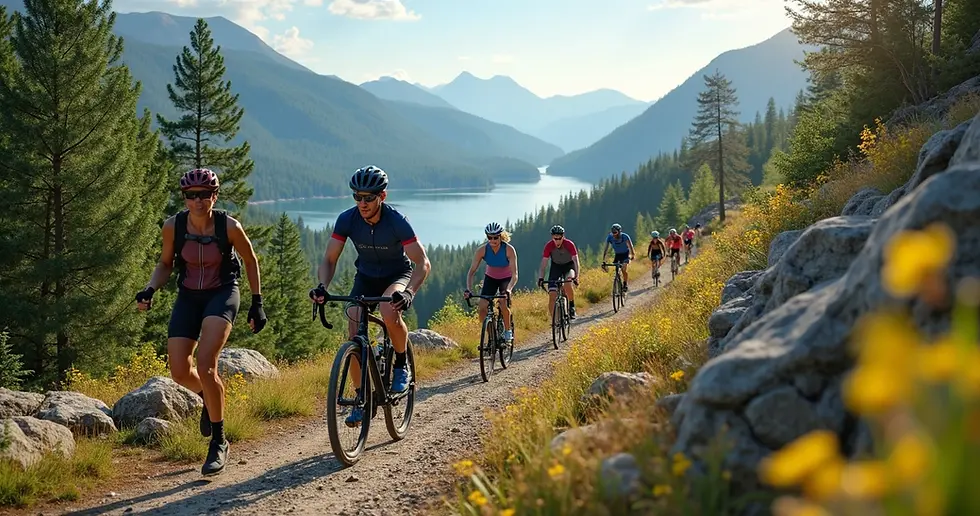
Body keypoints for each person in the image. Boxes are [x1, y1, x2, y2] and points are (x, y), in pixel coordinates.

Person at [135, 168, 267, 477]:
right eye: (191, 195)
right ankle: (208, 397)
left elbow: (250, 260)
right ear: (184, 198)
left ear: (214, 196)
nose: (198, 201)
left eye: (204, 195)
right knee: (180, 370)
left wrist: (257, 303)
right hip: (188, 296)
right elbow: (165, 264)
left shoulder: (229, 226)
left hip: (222, 294)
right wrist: (150, 288)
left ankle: (219, 441)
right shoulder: (173, 227)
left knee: (207, 364)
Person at [310, 166, 431, 428]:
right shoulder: (347, 219)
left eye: (368, 197)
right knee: (354, 327)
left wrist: (409, 292)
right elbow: (329, 259)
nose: (362, 203)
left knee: (389, 312)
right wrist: (322, 285)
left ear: (382, 196)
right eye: (357, 197)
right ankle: (360, 399)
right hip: (365, 277)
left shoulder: (397, 221)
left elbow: (422, 263)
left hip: (397, 275)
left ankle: (401, 364)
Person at [464, 222, 519, 342]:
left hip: (506, 279)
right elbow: (471, 272)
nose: (492, 240)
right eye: (489, 237)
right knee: (482, 307)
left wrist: (509, 289)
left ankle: (508, 331)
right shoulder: (482, 250)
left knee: (503, 303)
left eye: (495, 237)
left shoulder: (509, 250)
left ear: (501, 236)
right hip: (491, 278)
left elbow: (515, 275)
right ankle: (491, 335)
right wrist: (469, 289)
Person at [537, 225, 580, 321]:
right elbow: (543, 264)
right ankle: (555, 321)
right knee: (552, 294)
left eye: (559, 239)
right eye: (555, 239)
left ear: (563, 236)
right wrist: (541, 278)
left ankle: (571, 306)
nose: (557, 241)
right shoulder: (549, 246)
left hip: (569, 266)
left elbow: (576, 261)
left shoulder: (569, 244)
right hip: (556, 267)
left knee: (567, 284)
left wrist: (577, 276)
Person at [601, 223, 635, 291]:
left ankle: (625, 284)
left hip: (625, 254)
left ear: (619, 231)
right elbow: (606, 249)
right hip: (617, 255)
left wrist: (632, 255)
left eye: (615, 232)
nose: (614, 234)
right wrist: (604, 260)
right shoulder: (610, 237)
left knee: (623, 269)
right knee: (616, 269)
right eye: (613, 233)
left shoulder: (625, 236)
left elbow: (631, 247)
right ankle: (617, 281)